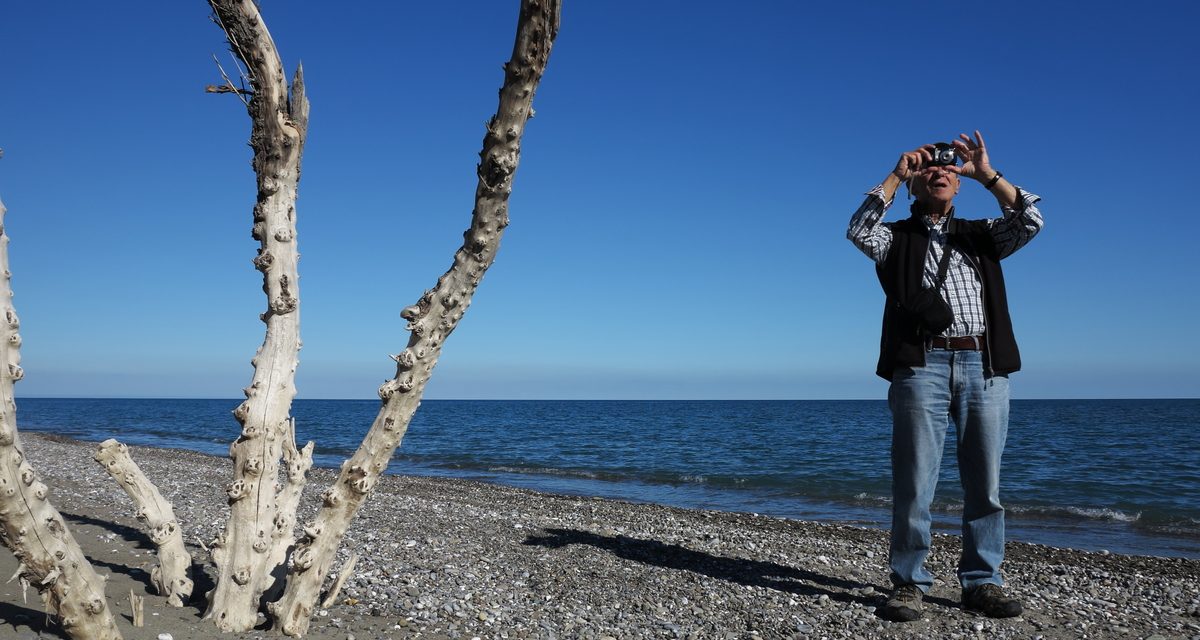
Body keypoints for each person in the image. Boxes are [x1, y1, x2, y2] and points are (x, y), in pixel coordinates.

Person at [846, 131, 1043, 622]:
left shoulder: (981, 234)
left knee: (986, 484)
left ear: (958, 183)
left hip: (985, 365)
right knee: (914, 482)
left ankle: (983, 581)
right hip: (920, 365)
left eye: (948, 169)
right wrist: (895, 174)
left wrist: (986, 175)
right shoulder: (897, 238)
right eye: (929, 169)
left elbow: (1032, 220)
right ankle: (909, 583)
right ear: (915, 185)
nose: (940, 172)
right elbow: (858, 230)